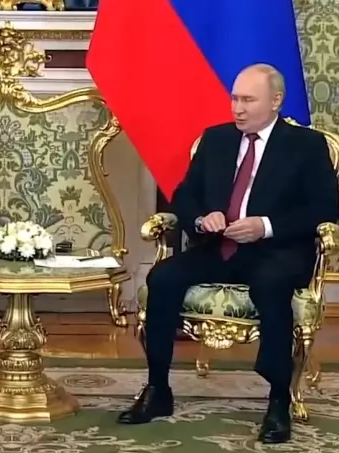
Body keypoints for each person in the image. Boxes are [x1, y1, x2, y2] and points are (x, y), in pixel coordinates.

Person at [118, 64, 339, 444]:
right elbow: (185, 196)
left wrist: (264, 226)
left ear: (276, 101)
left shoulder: (306, 145)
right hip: (218, 247)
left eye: (248, 100)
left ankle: (278, 402)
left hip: (275, 252)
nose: (237, 108)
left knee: (271, 284)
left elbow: (324, 208)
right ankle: (158, 390)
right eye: (234, 98)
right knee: (163, 278)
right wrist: (202, 218)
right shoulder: (216, 139)